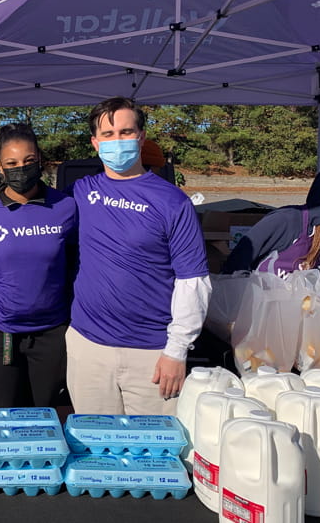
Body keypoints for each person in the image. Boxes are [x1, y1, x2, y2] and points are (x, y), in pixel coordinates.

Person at [65, 97, 211, 416]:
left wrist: (177, 351)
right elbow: (33, 209)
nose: (117, 141)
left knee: (152, 457)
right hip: (88, 349)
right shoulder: (80, 191)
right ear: (95, 143)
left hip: (152, 354)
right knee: (96, 451)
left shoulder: (174, 203)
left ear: (141, 137)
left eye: (126, 132)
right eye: (108, 134)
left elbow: (193, 282)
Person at [0, 123, 77, 408]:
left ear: (39, 159)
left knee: (44, 418)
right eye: (12, 163)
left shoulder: (66, 207)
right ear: (0, 168)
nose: (21, 168)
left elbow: (77, 262)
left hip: (51, 333)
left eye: (28, 161)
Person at [223, 168, 320, 276]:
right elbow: (240, 257)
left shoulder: (319, 234)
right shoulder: (286, 220)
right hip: (263, 305)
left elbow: (317, 274)